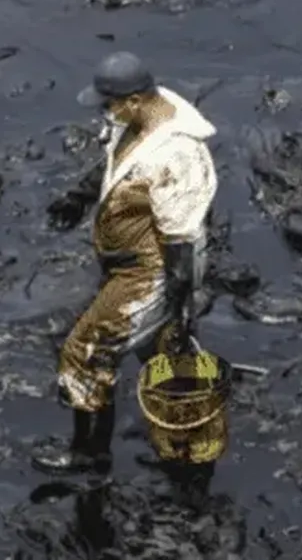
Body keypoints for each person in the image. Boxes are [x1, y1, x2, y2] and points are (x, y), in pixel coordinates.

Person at [32, 51, 219, 477]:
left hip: (151, 270)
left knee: (87, 352)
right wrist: (80, 196)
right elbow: (118, 162)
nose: (104, 111)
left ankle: (89, 458)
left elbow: (181, 238)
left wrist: (181, 300)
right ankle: (190, 446)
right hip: (130, 262)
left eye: (107, 103)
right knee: (163, 352)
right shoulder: (140, 116)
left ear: (134, 100)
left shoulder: (179, 155)